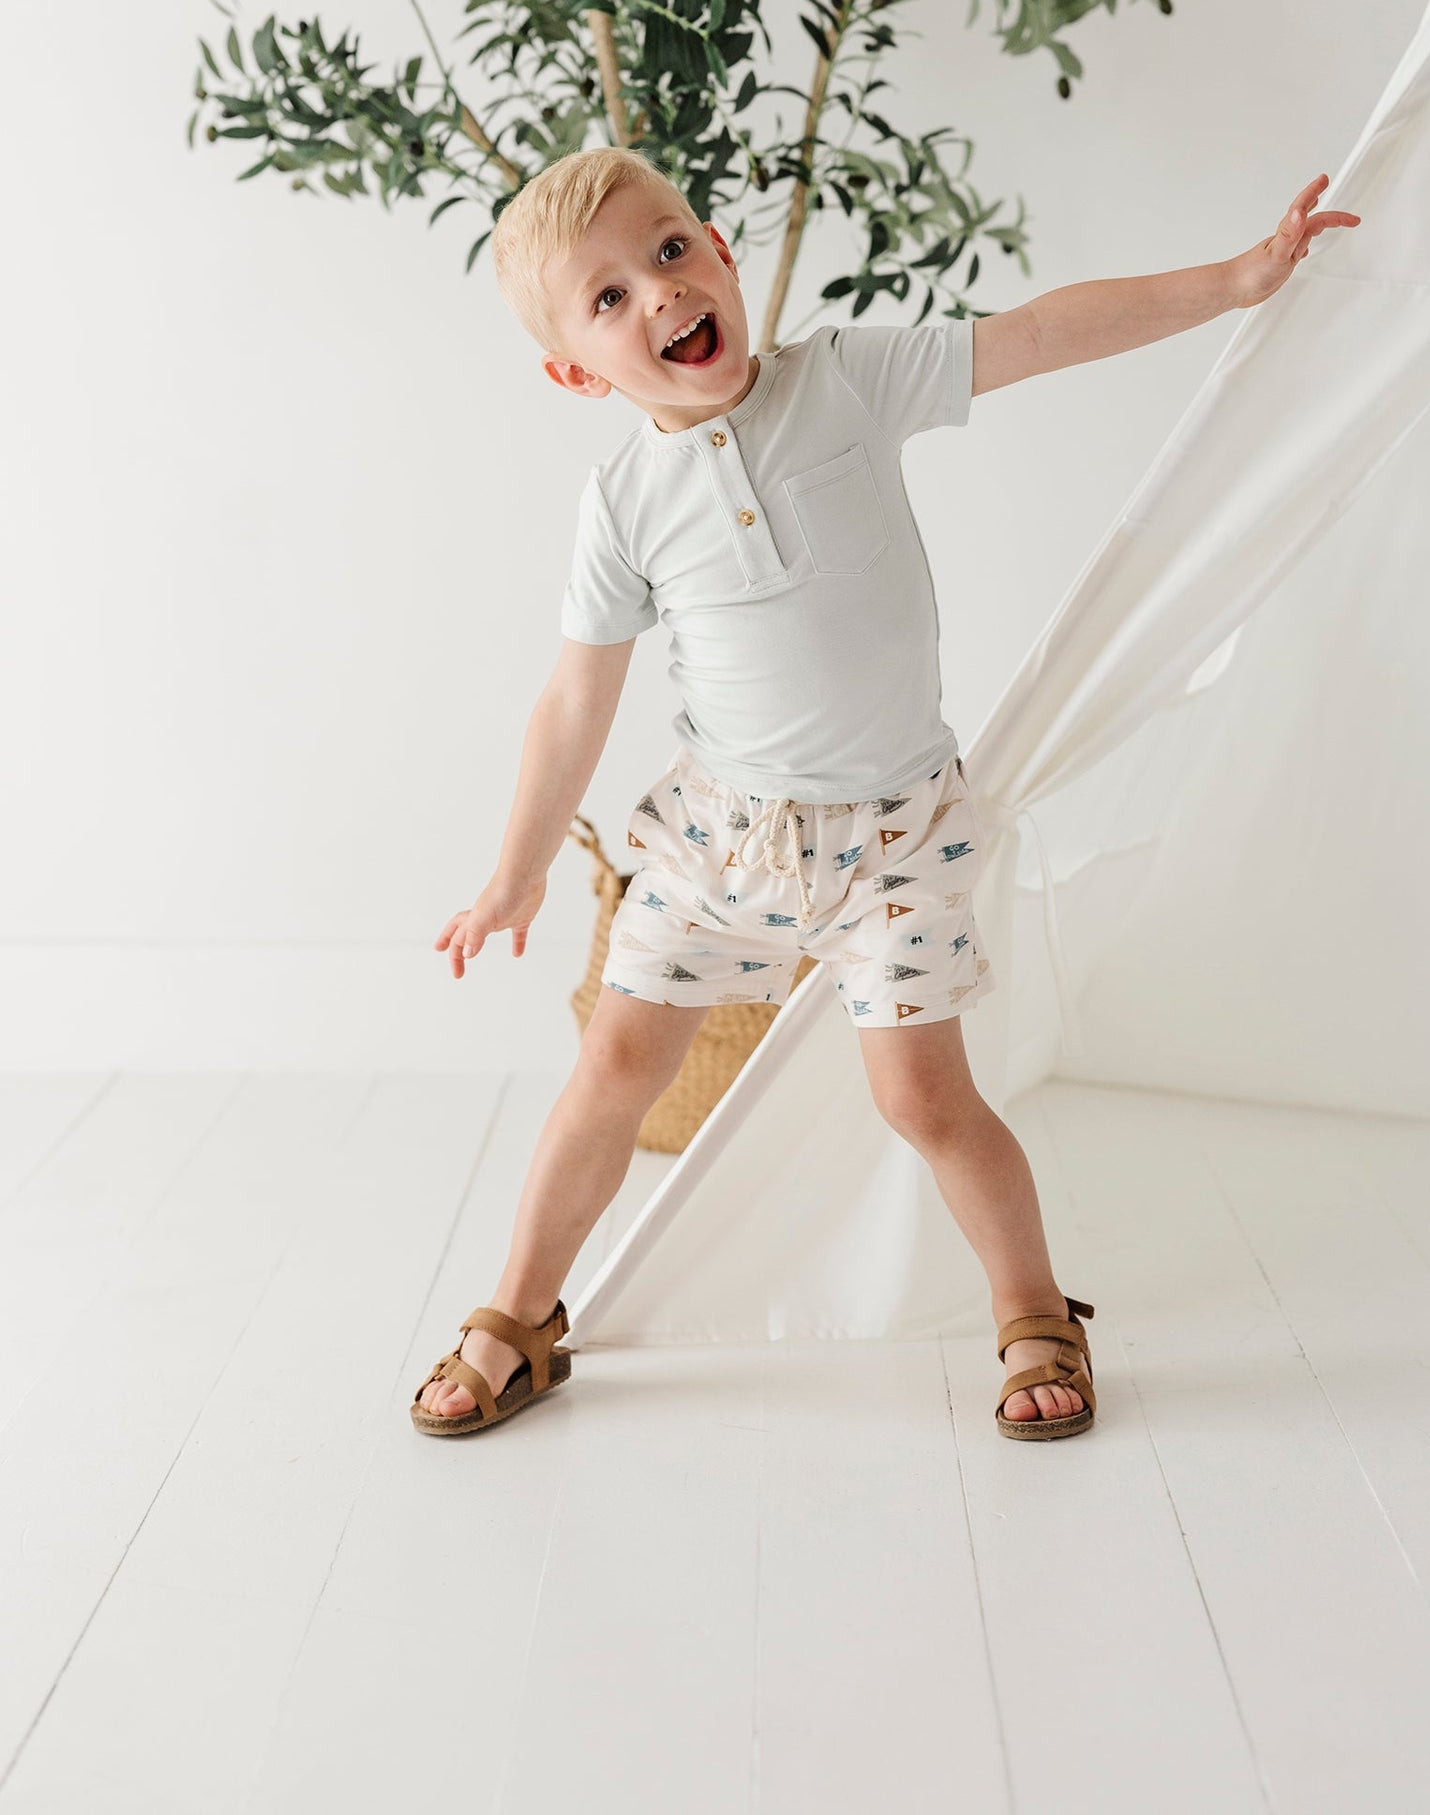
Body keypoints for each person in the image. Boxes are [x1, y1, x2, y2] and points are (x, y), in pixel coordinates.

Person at [412, 146, 1357, 1442]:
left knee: (923, 1098)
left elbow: (1038, 332)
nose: (661, 293)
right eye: (610, 298)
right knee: (612, 1068)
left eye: (671, 250)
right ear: (576, 372)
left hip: (895, 839)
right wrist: (516, 872)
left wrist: (1237, 279)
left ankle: (1034, 1310)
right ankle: (520, 1315)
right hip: (718, 836)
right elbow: (575, 701)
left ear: (721, 252)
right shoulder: (622, 506)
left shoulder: (846, 380)